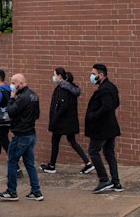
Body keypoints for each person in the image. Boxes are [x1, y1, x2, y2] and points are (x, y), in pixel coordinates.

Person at [0, 73, 43, 202]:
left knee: (12, 162)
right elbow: (37, 115)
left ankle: (11, 191)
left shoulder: (22, 97)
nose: (11, 85)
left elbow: (10, 111)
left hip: (21, 135)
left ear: (20, 84)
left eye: (13, 83)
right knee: (29, 164)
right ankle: (36, 191)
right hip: (31, 134)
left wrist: (11, 98)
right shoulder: (34, 95)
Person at [40, 67, 95, 174]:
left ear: (60, 76)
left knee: (56, 141)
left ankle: (52, 166)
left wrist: (55, 118)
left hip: (62, 122)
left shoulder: (63, 89)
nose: (54, 77)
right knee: (71, 141)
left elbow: (62, 106)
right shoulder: (70, 88)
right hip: (69, 121)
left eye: (55, 75)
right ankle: (87, 163)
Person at [85, 63, 123, 193]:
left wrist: (94, 115)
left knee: (93, 151)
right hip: (110, 127)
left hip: (102, 128)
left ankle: (103, 179)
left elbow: (107, 107)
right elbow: (116, 103)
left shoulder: (105, 89)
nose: (91, 76)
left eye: (93, 74)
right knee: (109, 154)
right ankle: (116, 182)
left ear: (101, 75)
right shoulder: (111, 87)